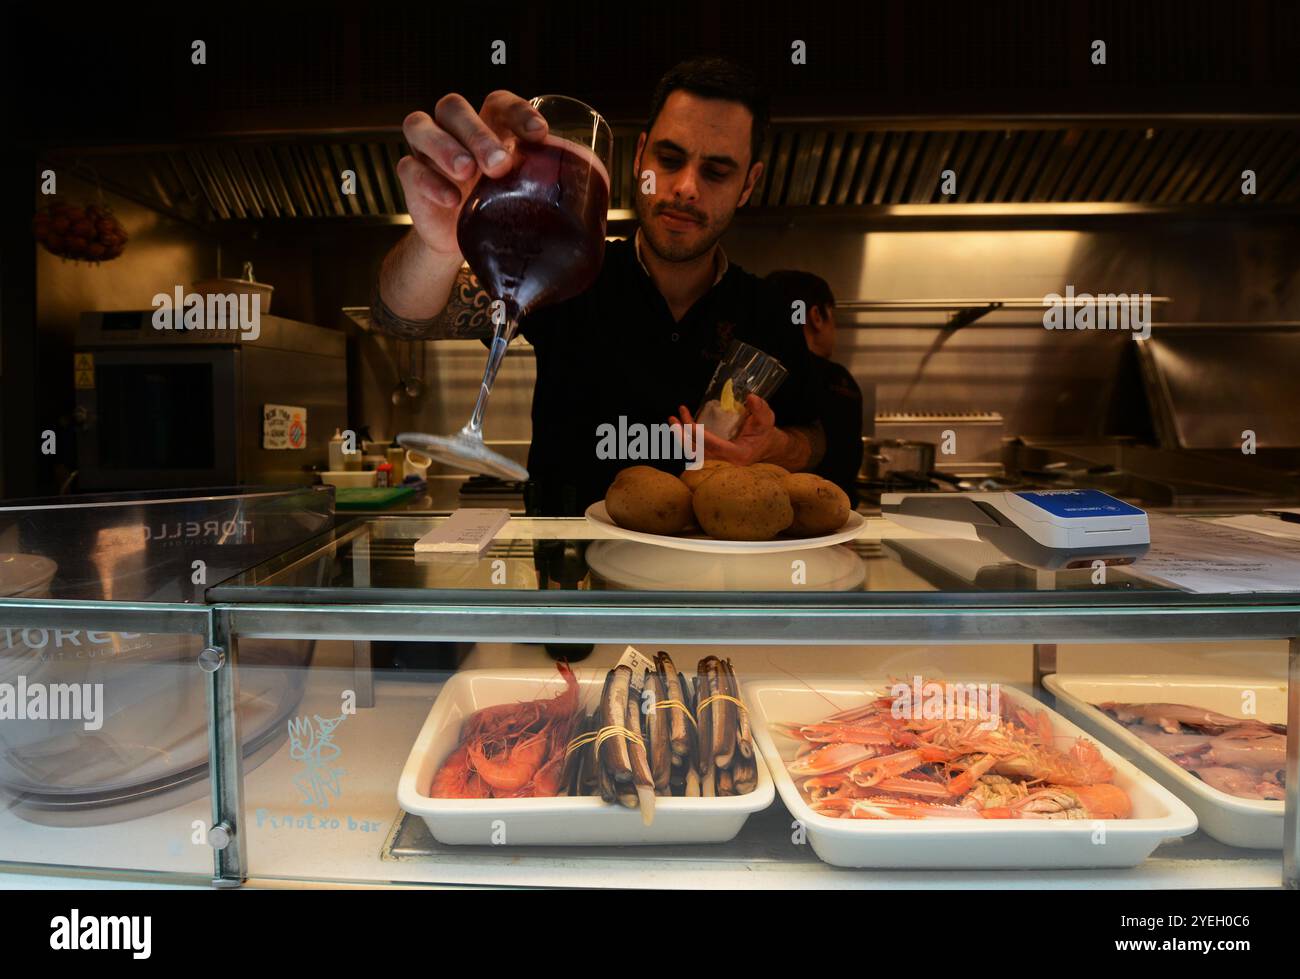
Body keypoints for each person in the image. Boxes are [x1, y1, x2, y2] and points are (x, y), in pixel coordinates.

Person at [371, 57, 826, 515]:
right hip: (570, 573)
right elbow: (403, 320)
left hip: (713, 574)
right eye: (669, 159)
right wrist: (437, 246)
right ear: (640, 156)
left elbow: (818, 435)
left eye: (717, 171)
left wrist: (774, 445)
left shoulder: (769, 310)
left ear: (749, 184)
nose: (687, 187)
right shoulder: (570, 269)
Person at [763, 270, 863, 505]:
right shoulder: (839, 380)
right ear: (817, 316)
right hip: (835, 514)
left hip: (767, 509)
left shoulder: (754, 374)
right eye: (833, 317)